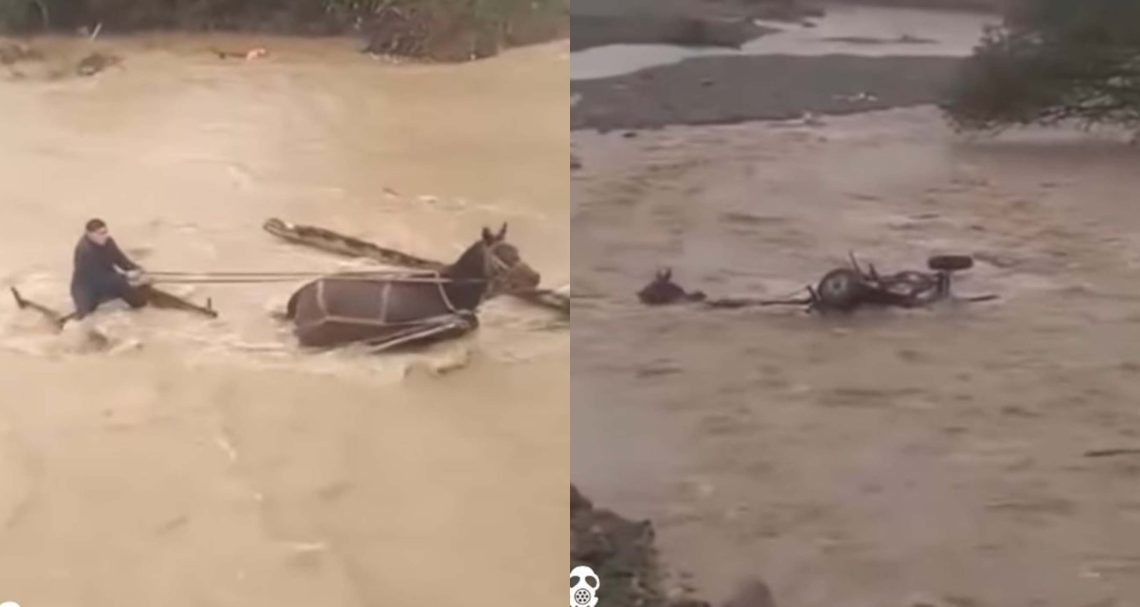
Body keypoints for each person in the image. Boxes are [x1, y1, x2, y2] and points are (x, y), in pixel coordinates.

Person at [70, 218, 149, 319]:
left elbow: (120, 260)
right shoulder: (85, 252)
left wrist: (137, 270)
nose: (105, 236)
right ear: (89, 234)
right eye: (100, 233)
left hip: (109, 279)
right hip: (86, 287)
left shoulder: (109, 242)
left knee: (127, 287)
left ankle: (140, 302)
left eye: (105, 232)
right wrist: (128, 276)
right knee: (85, 313)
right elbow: (99, 277)